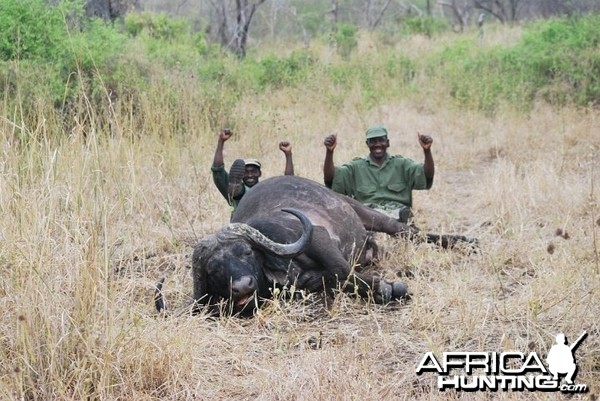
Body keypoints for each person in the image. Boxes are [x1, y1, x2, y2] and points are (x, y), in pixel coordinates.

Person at [323, 124, 434, 223]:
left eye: (381, 140)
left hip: (399, 214)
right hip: (370, 217)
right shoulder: (356, 167)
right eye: (373, 141)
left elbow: (426, 174)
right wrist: (329, 152)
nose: (377, 144)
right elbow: (331, 178)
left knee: (404, 216)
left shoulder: (402, 164)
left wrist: (427, 151)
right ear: (367, 144)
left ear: (388, 143)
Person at [211, 128, 294, 210]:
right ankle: (236, 190)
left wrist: (288, 154)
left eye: (253, 171)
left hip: (262, 218)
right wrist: (221, 142)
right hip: (241, 220)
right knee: (240, 192)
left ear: (260, 173)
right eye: (246, 172)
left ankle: (239, 192)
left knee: (285, 187)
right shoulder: (240, 188)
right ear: (241, 175)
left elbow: (288, 181)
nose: (250, 175)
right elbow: (217, 171)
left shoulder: (265, 189)